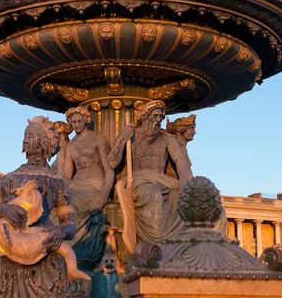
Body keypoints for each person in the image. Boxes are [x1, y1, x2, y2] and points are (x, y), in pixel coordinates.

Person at [0, 116, 76, 298]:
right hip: (6, 254)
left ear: (45, 143)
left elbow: (70, 226)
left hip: (44, 250)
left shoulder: (59, 182)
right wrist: (3, 209)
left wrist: (60, 232)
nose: (26, 141)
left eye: (31, 136)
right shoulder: (8, 179)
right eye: (25, 137)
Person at [107, 100, 189, 250]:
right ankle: (157, 245)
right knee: (155, 196)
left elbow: (180, 160)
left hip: (162, 180)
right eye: (155, 116)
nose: (158, 120)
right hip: (138, 180)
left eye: (161, 117)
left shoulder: (167, 138)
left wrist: (186, 185)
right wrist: (122, 138)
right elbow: (112, 162)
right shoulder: (130, 135)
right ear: (144, 117)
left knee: (185, 198)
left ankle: (179, 247)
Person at [63, 106, 114, 265]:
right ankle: (63, 252)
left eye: (79, 121)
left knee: (73, 204)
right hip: (76, 184)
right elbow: (66, 174)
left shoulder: (98, 138)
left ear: (86, 120)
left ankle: (77, 253)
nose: (77, 124)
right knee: (57, 205)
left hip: (95, 184)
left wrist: (105, 194)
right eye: (74, 122)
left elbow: (108, 169)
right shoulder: (71, 145)